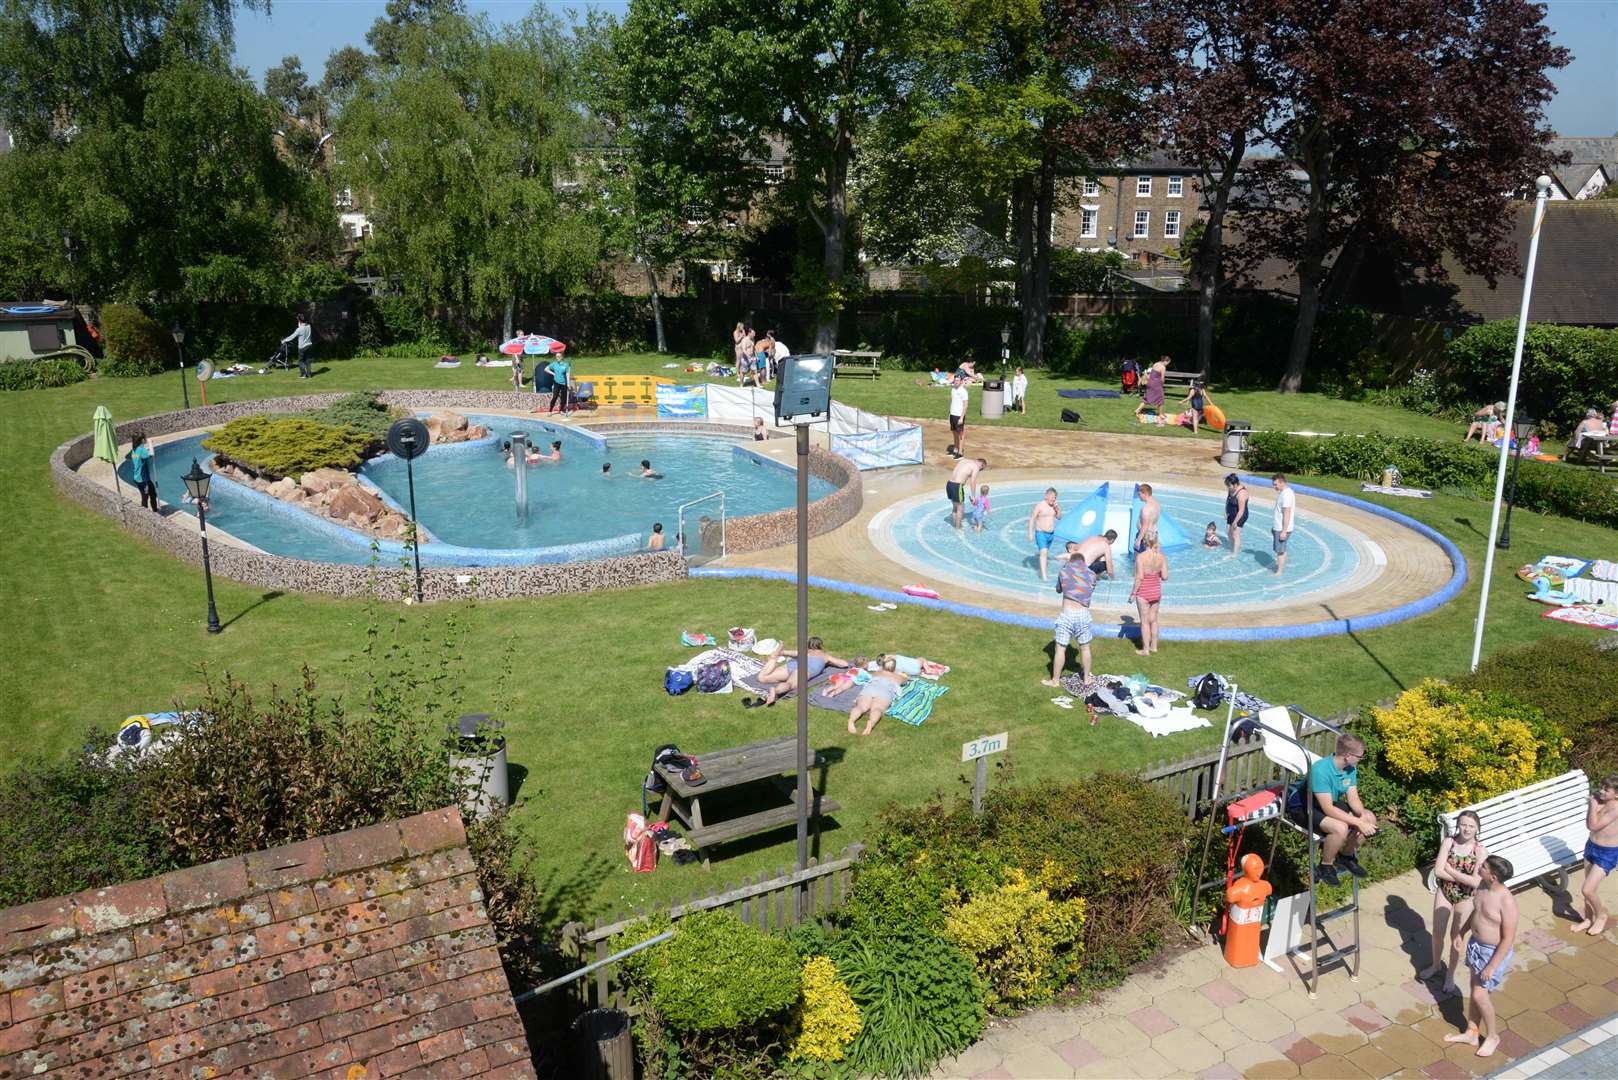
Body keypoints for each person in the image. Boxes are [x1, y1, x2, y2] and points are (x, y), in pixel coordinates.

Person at [1444, 855, 1518, 1059]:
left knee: (1479, 995)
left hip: (1492, 953)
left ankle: (1493, 1036)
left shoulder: (1506, 901)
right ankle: (1472, 1033)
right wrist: (1461, 932)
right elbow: (1476, 914)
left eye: (1484, 867)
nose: (1480, 867)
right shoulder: (1483, 887)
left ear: (1493, 876)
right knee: (1473, 988)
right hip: (1476, 945)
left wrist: (1492, 966)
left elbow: (1508, 939)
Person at [1284, 732, 1376, 887]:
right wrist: (1357, 823)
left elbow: (1353, 799)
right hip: (1303, 807)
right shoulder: (1321, 770)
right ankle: (1325, 866)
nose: (1361, 759)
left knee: (1369, 817)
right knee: (1340, 828)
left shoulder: (1349, 769)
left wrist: (1362, 818)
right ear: (1348, 755)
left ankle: (1345, 857)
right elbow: (1328, 809)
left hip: (1326, 804)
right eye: (1360, 757)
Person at [1420, 811, 1488, 993]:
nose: (1467, 829)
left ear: (1477, 829)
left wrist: (1451, 871)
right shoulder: (1449, 842)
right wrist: (1460, 876)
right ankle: (1436, 965)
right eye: (1464, 824)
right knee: (1437, 931)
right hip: (1445, 891)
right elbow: (1438, 871)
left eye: (1471, 826)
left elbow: (1476, 882)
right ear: (1458, 825)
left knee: (1456, 937)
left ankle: (1450, 974)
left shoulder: (1480, 851)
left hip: (1466, 897)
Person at [1042, 542, 1096, 690]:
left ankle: (1055, 680)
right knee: (1085, 648)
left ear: (1071, 561)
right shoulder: (1091, 574)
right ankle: (1086, 678)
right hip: (1083, 614)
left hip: (1067, 614)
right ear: (1083, 562)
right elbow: (1089, 593)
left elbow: (1058, 590)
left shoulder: (1064, 572)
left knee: (1060, 648)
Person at [744, 637, 850, 708]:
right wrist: (828, 661)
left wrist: (778, 652)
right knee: (789, 685)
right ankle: (775, 691)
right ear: (820, 646)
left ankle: (772, 661)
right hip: (804, 669)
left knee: (762, 678)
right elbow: (844, 664)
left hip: (791, 665)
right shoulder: (825, 656)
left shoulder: (803, 651)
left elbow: (782, 653)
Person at [1572, 775, 1618, 935]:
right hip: (1591, 847)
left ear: (1617, 794)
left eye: (1606, 790)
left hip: (1607, 853)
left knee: (1587, 890)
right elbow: (1589, 824)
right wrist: (1594, 805)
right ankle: (1588, 918)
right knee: (1589, 886)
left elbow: (1593, 825)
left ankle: (1601, 916)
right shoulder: (1603, 802)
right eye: (1601, 788)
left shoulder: (1616, 809)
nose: (1601, 791)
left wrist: (1592, 805)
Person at [847, 656, 908, 736]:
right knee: (877, 709)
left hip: (870, 689)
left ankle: (851, 721)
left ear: (883, 666)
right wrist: (900, 674)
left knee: (861, 707)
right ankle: (871, 723)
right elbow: (905, 680)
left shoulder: (876, 673)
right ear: (894, 667)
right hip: (884, 692)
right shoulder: (898, 677)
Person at [1130, 531, 1167, 656]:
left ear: (1144, 541)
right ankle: (1154, 646)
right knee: (1154, 620)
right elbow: (1165, 576)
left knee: (1145, 622)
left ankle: (1145, 650)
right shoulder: (1161, 556)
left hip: (1144, 592)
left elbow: (1139, 577)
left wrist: (1133, 593)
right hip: (1156, 590)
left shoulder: (1141, 557)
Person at [1026, 487, 1061, 580]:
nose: (1053, 499)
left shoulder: (1054, 506)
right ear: (1046, 496)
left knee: (1045, 553)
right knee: (1044, 553)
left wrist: (1057, 509)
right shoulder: (1040, 506)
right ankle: (1044, 575)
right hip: (1041, 532)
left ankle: (1042, 570)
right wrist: (1030, 533)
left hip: (1051, 534)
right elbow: (1032, 518)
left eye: (1055, 497)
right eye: (1052, 497)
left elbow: (1059, 517)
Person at [946, 457, 986, 531]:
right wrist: (973, 496)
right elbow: (972, 481)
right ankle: (958, 528)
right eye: (981, 469)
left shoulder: (964, 460)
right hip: (957, 486)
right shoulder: (976, 467)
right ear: (982, 465)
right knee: (960, 508)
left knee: (955, 507)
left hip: (949, 484)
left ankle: (955, 525)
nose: (979, 470)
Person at [1271, 473, 1296, 576]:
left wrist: (1284, 531)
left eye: (1275, 484)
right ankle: (1281, 566)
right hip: (1279, 527)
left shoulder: (1286, 495)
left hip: (1282, 528)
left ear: (1282, 482)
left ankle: (1279, 571)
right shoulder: (1285, 492)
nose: (1274, 487)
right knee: (1281, 549)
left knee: (1280, 550)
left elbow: (1287, 513)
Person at [128, 432, 158, 511]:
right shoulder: (142, 449)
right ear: (141, 440)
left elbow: (140, 456)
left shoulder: (134, 450)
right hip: (143, 478)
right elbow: (151, 454)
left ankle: (153, 510)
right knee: (147, 496)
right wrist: (150, 443)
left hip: (137, 477)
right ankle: (147, 513)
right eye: (144, 438)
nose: (145, 439)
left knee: (150, 494)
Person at [1225, 473, 1250, 557]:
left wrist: (1235, 522)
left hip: (1240, 515)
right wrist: (1225, 511)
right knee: (1228, 532)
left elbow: (1241, 510)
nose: (1228, 487)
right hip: (1231, 513)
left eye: (1229, 486)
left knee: (1236, 534)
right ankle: (1232, 547)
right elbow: (1228, 500)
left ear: (1235, 484)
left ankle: (1235, 553)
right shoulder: (1231, 489)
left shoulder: (1241, 493)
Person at [282, 314, 314, 379]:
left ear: (299, 320)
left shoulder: (299, 329)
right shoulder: (309, 326)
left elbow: (292, 336)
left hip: (302, 347)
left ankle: (303, 375)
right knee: (308, 360)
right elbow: (305, 325)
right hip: (309, 345)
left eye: (298, 320)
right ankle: (309, 374)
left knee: (301, 361)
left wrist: (284, 340)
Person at [1134, 483, 1160, 553]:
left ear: (1145, 493)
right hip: (1154, 535)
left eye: (1139, 494)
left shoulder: (1146, 508)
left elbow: (1145, 526)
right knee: (1153, 558)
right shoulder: (1157, 504)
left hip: (1145, 537)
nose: (1138, 497)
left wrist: (1138, 540)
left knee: (1139, 561)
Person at [948, 376, 970, 457]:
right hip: (952, 414)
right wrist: (949, 412)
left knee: (960, 434)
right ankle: (955, 449)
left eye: (958, 380)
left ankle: (960, 452)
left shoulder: (963, 391)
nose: (956, 381)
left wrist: (961, 417)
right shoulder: (953, 389)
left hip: (959, 415)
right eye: (955, 380)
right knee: (954, 432)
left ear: (961, 381)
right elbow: (952, 400)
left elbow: (965, 405)